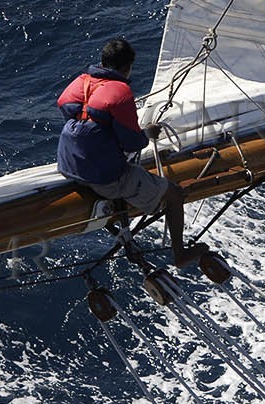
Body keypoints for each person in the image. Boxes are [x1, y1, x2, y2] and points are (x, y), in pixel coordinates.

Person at [56, 37, 207, 267]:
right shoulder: (121, 92)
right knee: (174, 195)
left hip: (68, 165)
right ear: (128, 67)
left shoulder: (81, 83)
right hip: (102, 177)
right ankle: (180, 255)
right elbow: (133, 144)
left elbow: (72, 111)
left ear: (103, 61)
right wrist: (147, 133)